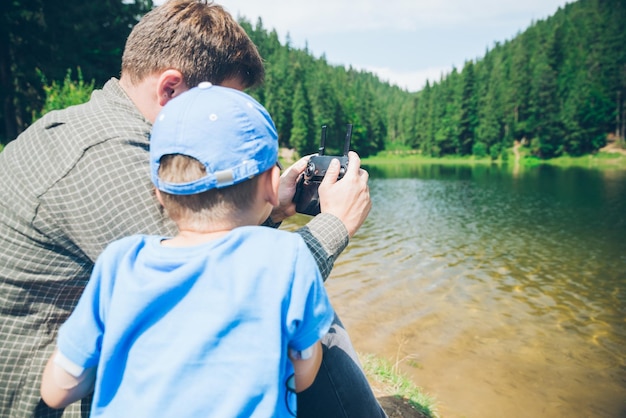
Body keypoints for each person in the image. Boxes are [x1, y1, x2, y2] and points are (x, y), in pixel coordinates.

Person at [0, 1, 384, 417]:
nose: (225, 119)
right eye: (224, 104)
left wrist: (273, 212)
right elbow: (236, 294)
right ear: (170, 89)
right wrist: (333, 226)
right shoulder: (110, 159)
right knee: (312, 325)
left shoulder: (112, 134)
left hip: (71, 373)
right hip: (51, 402)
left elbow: (209, 245)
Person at [40, 84, 336, 417]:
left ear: (158, 193)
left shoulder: (119, 262)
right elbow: (303, 375)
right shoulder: (287, 258)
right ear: (272, 185)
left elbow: (57, 390)